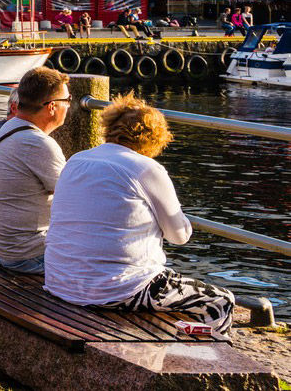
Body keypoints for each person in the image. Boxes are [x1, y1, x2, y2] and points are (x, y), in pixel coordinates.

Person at [45, 95, 236, 336]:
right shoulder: (146, 169)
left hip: (60, 282)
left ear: (110, 127)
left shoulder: (76, 160)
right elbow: (180, 236)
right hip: (117, 290)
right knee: (221, 300)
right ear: (154, 138)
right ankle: (205, 359)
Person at [0, 67, 70, 272]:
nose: (69, 105)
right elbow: (74, 198)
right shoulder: (37, 144)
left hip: (0, 247)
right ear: (53, 106)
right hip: (26, 256)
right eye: (68, 100)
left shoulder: (9, 128)